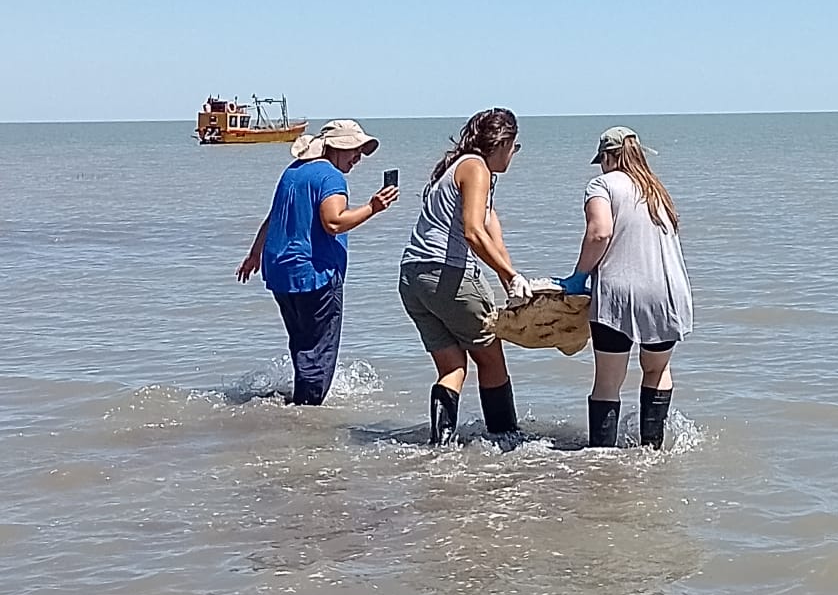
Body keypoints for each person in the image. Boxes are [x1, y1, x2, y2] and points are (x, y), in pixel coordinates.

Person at [236, 120, 398, 405]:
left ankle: (297, 405)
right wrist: (373, 207)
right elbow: (333, 222)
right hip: (315, 273)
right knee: (319, 353)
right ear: (334, 148)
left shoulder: (293, 171)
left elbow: (274, 217)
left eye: (360, 151)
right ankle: (306, 415)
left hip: (281, 272)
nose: (358, 157)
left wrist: (255, 254)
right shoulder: (330, 177)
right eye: (354, 150)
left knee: (303, 346)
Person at [398, 107, 533, 445]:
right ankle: (506, 439)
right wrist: (511, 276)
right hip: (447, 273)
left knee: (453, 367)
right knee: (491, 358)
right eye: (514, 147)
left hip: (413, 278)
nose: (513, 155)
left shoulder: (458, 168)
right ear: (502, 142)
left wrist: (511, 282)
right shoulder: (476, 168)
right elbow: (473, 232)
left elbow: (493, 237)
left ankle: (439, 448)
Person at [556, 126, 693, 449]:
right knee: (657, 370)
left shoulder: (602, 185)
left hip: (620, 294)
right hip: (668, 293)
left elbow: (600, 233)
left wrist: (578, 276)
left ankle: (602, 458)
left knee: (608, 381)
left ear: (607, 157)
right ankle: (652, 451)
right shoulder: (656, 190)